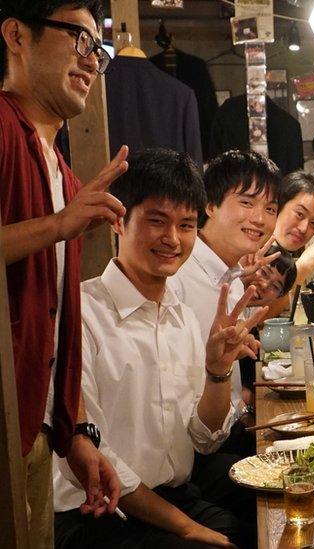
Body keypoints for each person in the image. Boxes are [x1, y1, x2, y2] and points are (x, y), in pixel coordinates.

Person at [53, 148, 263, 549]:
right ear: (120, 220)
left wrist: (217, 372)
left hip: (170, 493)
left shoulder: (180, 317)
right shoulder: (81, 315)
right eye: (156, 221)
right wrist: (186, 527)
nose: (172, 239)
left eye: (185, 225)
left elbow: (203, 439)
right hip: (98, 512)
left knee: (270, 509)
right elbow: (93, 459)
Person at [1, 1, 124, 544]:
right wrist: (57, 224)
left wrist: (70, 433)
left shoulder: (58, 167)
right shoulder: (3, 127)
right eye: (78, 39)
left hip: (33, 426)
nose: (91, 61)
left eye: (98, 49)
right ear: (16, 36)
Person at [170, 150, 280, 474]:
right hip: (189, 458)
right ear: (210, 205)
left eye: (270, 208)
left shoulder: (230, 278)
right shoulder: (178, 276)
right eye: (246, 202)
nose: (259, 218)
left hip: (225, 431)